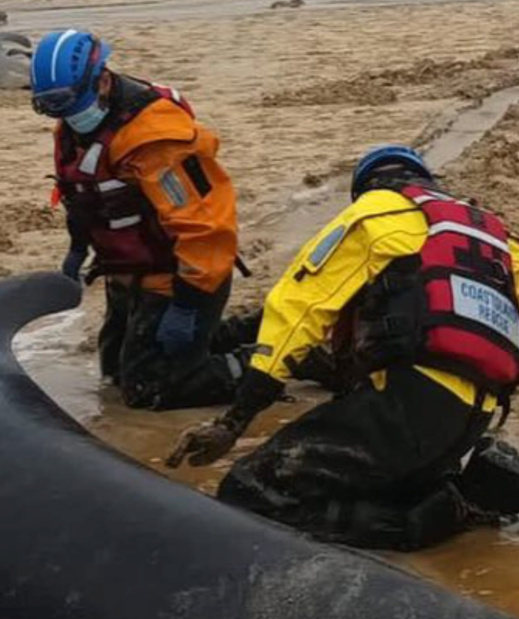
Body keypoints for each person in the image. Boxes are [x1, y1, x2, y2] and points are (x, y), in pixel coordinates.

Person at [167, 144, 519, 551]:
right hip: (473, 414)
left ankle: (434, 520)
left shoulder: (375, 213)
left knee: (250, 491)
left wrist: (234, 420)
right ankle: (465, 490)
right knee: (380, 478)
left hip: (406, 403)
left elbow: (299, 308)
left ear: (367, 188)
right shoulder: (497, 237)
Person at [30, 29, 256, 411]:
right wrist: (77, 249)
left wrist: (187, 303)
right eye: (47, 106)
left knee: (150, 388)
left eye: (66, 102)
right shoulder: (73, 126)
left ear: (102, 81)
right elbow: (83, 196)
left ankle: (278, 361)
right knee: (114, 373)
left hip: (181, 276)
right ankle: (248, 332)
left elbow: (205, 226)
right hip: (128, 272)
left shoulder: (155, 141)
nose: (61, 114)